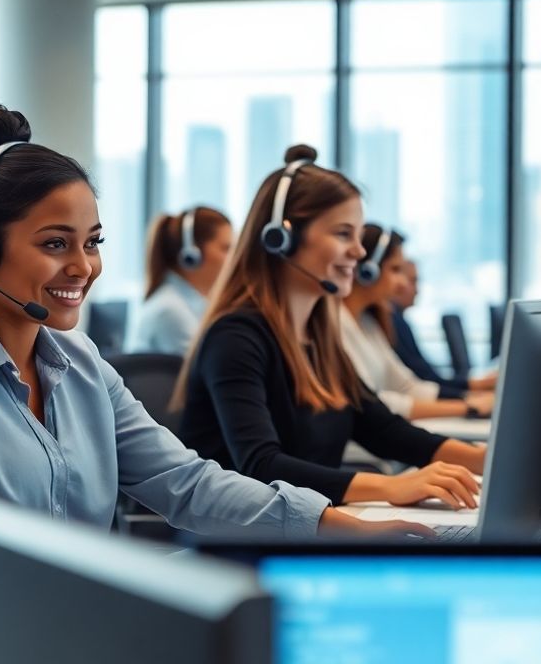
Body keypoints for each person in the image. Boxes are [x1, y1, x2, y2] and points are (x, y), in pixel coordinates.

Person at [0, 106, 430, 651]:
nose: (83, 266)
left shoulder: (81, 365)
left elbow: (187, 484)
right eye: (55, 243)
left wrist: (334, 527)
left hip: (66, 639)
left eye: (93, 242)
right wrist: (122, 586)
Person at [175, 146, 485, 510]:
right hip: (239, 547)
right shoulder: (235, 338)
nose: (359, 252)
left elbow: (383, 428)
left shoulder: (318, 338)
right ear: (281, 238)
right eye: (343, 234)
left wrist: (490, 460)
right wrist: (390, 487)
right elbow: (260, 466)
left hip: (303, 530)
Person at [340, 225, 493, 419]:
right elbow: (374, 402)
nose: (403, 284)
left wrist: (469, 399)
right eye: (395, 270)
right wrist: (468, 406)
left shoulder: (368, 323)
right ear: (367, 270)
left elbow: (407, 386)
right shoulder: (337, 325)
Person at [129, 205, 233, 354]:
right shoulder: (170, 311)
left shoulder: (193, 304)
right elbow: (205, 370)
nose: (234, 258)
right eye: (226, 248)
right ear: (192, 254)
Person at [390, 259, 497, 394]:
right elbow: (424, 379)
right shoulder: (394, 323)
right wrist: (470, 398)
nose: (417, 290)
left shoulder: (400, 322)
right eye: (413, 281)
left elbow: (426, 377)